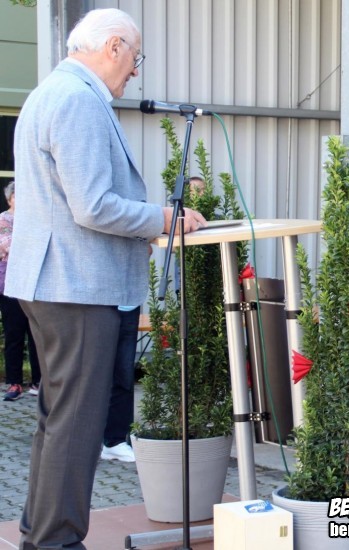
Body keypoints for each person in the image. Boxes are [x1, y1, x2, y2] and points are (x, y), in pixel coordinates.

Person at [5, 8, 206, 550]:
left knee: (59, 420)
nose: (135, 71)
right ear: (114, 46)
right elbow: (92, 205)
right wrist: (162, 217)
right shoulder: (77, 99)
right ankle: (56, 541)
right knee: (77, 424)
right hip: (76, 285)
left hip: (54, 282)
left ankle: (40, 535)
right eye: (135, 57)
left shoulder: (51, 92)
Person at [0, 182, 41, 401]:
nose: (20, 199)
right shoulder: (3, 220)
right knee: (14, 335)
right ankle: (14, 383)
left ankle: (38, 382)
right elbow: (7, 245)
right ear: (9, 199)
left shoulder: (34, 218)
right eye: (16, 195)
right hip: (10, 285)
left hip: (35, 284)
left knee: (37, 334)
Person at [100, 305, 140, 462]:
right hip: (95, 305)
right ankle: (83, 441)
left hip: (128, 305)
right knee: (89, 377)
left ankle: (114, 441)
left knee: (124, 375)